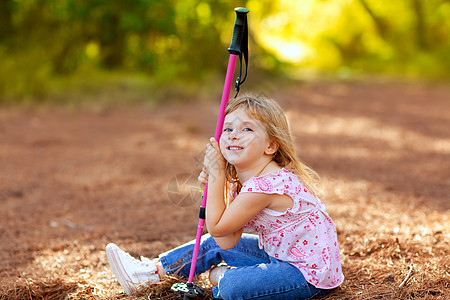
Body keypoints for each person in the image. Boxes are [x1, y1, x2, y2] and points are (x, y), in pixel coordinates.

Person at [106, 94, 344, 299]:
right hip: (279, 255)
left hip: (306, 274)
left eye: (247, 129)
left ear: (270, 146)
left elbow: (219, 227)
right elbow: (225, 241)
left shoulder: (266, 186)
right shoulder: (246, 180)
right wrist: (213, 187)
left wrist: (218, 176)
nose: (233, 135)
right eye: (228, 129)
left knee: (231, 286)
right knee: (209, 244)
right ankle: (149, 273)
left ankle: (226, 277)